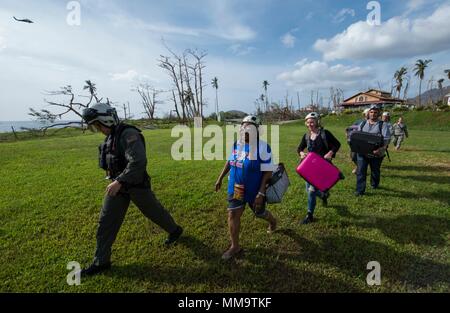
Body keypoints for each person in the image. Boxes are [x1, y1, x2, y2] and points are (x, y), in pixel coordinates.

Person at [80, 103, 183, 276]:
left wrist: (120, 181)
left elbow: (138, 162)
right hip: (118, 186)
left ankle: (175, 230)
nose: (98, 130)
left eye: (98, 126)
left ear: (105, 120)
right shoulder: (111, 137)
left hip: (136, 186)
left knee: (154, 212)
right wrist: (117, 181)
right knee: (106, 222)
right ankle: (101, 261)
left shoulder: (129, 134)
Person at [215, 115, 277, 260]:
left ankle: (272, 221)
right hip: (237, 188)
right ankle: (235, 246)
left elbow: (268, 171)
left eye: (249, 126)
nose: (244, 129)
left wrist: (261, 193)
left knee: (259, 213)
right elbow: (230, 162)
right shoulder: (237, 144)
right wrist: (220, 178)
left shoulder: (263, 147)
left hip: (255, 190)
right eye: (243, 126)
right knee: (233, 213)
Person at [297, 112, 341, 224]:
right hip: (309, 168)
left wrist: (331, 152)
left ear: (317, 122)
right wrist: (301, 153)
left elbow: (337, 144)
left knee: (311, 191)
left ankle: (309, 215)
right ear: (306, 124)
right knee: (309, 191)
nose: (310, 124)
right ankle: (323, 195)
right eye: (308, 122)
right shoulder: (306, 136)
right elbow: (299, 149)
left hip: (322, 167)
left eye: (313, 121)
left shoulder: (325, 133)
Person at [355, 105, 391, 196]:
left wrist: (381, 149)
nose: (373, 114)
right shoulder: (362, 124)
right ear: (368, 113)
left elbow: (386, 140)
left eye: (375, 112)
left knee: (375, 171)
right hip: (362, 152)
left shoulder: (383, 125)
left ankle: (374, 184)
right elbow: (358, 136)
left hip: (377, 153)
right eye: (371, 112)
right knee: (361, 171)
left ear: (378, 113)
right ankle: (360, 190)